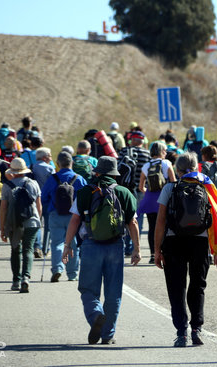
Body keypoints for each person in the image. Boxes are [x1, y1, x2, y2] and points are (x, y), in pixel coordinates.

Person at [62, 156, 141, 345]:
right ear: (114, 174)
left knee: (88, 289)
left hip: (90, 245)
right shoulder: (124, 193)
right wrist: (137, 249)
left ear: (97, 172)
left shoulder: (84, 192)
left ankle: (96, 314)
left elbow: (74, 220)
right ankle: (108, 335)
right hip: (115, 246)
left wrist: (67, 245)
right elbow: (133, 223)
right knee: (114, 292)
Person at [153, 152, 217, 347]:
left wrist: (156, 250)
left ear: (177, 170)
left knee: (176, 287)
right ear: (197, 168)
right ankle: (196, 328)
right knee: (198, 285)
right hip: (200, 242)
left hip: (173, 242)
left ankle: (181, 332)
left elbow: (160, 221)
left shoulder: (170, 188)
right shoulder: (207, 187)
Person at [42, 152, 87, 282]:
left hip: (55, 214)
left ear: (58, 164)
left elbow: (44, 197)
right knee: (73, 244)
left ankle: (57, 269)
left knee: (57, 243)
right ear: (71, 163)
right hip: (74, 216)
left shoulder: (52, 178)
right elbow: (85, 198)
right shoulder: (79, 178)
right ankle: (72, 274)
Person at [0, 158, 42, 293]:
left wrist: (3, 227)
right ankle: (26, 277)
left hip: (14, 222)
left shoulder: (7, 185)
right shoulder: (33, 183)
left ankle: (16, 280)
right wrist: (38, 219)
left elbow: (3, 208)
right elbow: (39, 205)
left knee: (15, 250)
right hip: (32, 221)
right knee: (28, 249)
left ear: (12, 171)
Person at [138, 142, 176, 264]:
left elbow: (140, 187)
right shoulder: (166, 163)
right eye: (165, 151)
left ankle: (152, 254)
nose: (166, 153)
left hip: (150, 199)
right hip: (163, 198)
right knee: (164, 226)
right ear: (161, 151)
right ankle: (164, 252)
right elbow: (173, 182)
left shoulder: (146, 165)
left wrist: (147, 193)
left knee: (152, 227)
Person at [118, 131, 150, 256]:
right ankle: (134, 245)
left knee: (124, 216)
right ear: (142, 141)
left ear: (132, 140)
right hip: (141, 189)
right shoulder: (147, 154)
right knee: (138, 218)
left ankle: (127, 245)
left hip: (125, 190)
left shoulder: (124, 151)